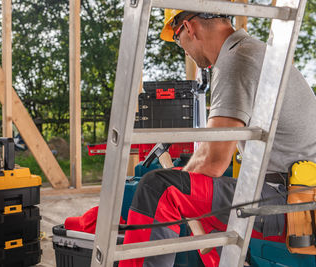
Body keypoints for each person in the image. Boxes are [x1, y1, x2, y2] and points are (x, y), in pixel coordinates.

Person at [118, 8, 316, 267]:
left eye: (177, 40)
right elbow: (212, 151)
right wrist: (186, 175)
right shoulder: (253, 51)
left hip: (290, 203)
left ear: (188, 28)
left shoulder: (237, 60)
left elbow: (213, 161)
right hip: (296, 196)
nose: (184, 49)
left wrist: (181, 177)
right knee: (200, 200)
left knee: (161, 188)